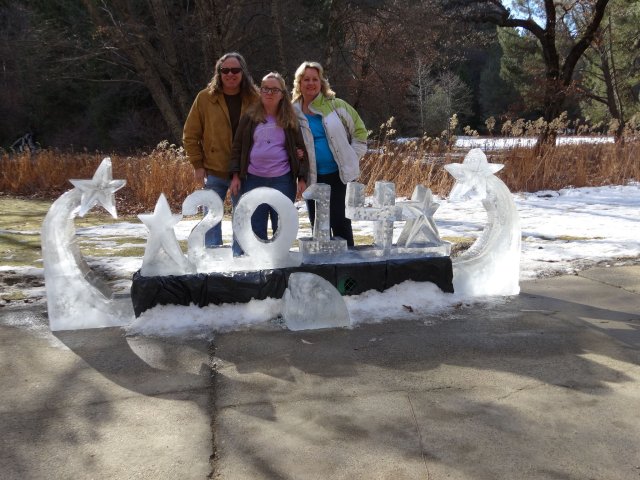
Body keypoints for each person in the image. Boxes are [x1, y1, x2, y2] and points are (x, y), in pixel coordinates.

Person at [183, 52, 260, 247]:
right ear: (219, 73)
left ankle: (240, 257)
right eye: (225, 70)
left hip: (245, 171)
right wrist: (197, 164)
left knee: (242, 218)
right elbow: (190, 134)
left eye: (235, 70)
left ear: (242, 72)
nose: (230, 74)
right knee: (211, 219)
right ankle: (211, 258)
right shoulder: (205, 98)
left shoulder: (255, 98)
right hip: (214, 169)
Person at [291, 61, 368, 247]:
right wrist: (293, 153)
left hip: (338, 175)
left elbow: (360, 131)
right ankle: (323, 272)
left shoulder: (336, 105)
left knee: (341, 223)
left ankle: (348, 274)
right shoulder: (292, 112)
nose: (310, 83)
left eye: (314, 79)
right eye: (306, 79)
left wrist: (352, 155)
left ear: (321, 82)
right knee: (318, 227)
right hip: (312, 178)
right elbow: (286, 140)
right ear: (299, 83)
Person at [229, 72, 308, 249]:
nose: (269, 93)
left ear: (282, 94)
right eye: (265, 89)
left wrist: (302, 178)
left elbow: (301, 149)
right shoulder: (249, 118)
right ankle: (260, 267)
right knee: (256, 225)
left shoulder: (290, 119)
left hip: (283, 180)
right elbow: (237, 148)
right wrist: (235, 176)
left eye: (274, 89)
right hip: (254, 179)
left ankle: (278, 267)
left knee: (281, 225)